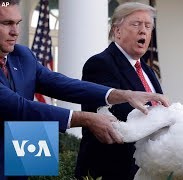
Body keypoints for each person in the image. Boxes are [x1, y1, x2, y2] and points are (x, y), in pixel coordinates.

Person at [0, 1, 169, 179]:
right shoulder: (102, 63)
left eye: (18, 23)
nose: (15, 32)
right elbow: (18, 108)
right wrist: (86, 119)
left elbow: (62, 84)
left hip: (22, 153)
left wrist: (123, 94)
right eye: (6, 23)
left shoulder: (22, 55)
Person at [75, 2, 163, 180]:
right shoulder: (100, 64)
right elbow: (118, 116)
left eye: (148, 26)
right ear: (117, 31)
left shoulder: (148, 71)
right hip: (112, 169)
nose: (143, 31)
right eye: (136, 24)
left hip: (145, 169)